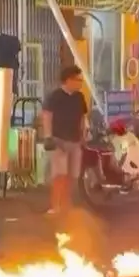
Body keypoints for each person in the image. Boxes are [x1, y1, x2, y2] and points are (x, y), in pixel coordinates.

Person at [41, 66, 89, 215]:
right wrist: (48, 136)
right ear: (68, 80)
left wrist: (84, 134)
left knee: (72, 175)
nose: (80, 83)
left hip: (75, 140)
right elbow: (47, 115)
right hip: (59, 140)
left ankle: (66, 203)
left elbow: (83, 117)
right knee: (59, 174)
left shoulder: (79, 97)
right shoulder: (55, 96)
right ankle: (55, 205)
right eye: (78, 80)